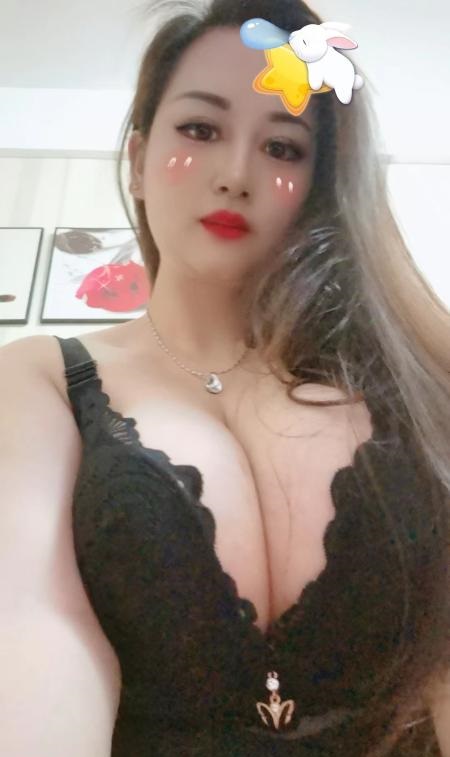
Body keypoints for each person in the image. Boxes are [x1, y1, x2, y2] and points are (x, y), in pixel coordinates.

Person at [1, 0, 449, 755]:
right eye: (200, 130)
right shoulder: (42, 379)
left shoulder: (407, 385)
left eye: (282, 147)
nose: (237, 175)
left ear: (321, 183)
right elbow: (30, 632)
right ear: (137, 161)